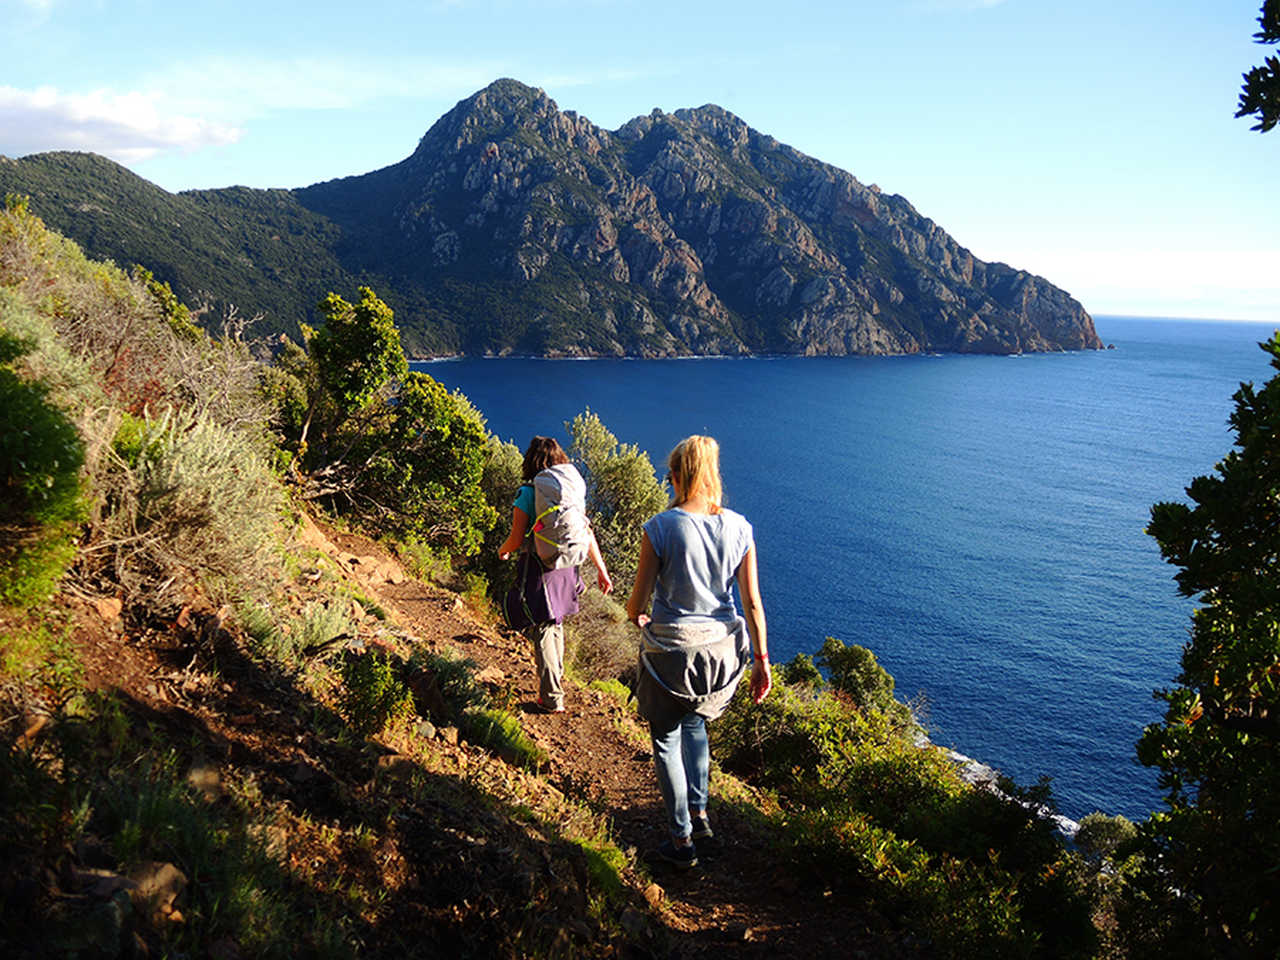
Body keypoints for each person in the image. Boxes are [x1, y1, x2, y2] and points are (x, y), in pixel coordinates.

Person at [626, 435, 770, 869]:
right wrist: (762, 661)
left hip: (673, 656)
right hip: (723, 655)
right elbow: (753, 604)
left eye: (668, 474)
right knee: (696, 724)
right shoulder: (741, 527)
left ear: (677, 476)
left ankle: (681, 840)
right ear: (712, 476)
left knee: (666, 738)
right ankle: (701, 814)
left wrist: (641, 620)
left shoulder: (661, 527)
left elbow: (637, 604)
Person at [498, 436, 612, 713]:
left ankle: (551, 698)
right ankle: (554, 686)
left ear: (531, 461)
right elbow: (586, 531)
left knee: (545, 627)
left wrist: (502, 551)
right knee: (555, 623)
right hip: (569, 565)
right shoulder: (571, 490)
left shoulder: (528, 492)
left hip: (541, 565)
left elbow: (515, 539)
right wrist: (601, 569)